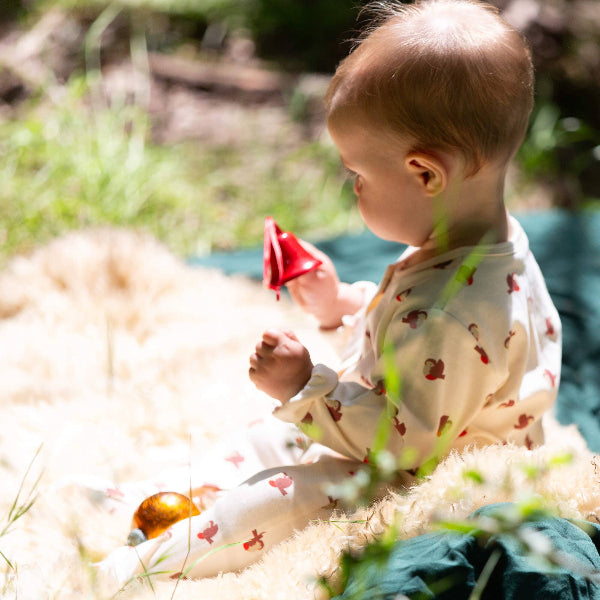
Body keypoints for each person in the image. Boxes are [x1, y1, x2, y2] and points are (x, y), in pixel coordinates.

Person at [96, 0, 561, 589]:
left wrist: (303, 387)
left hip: (427, 477)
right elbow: (408, 334)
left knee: (276, 499)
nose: (353, 189)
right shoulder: (476, 245)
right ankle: (172, 503)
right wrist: (344, 302)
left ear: (425, 175)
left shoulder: (454, 311)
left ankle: (128, 571)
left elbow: (403, 444)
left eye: (359, 176)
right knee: (269, 437)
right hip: (416, 427)